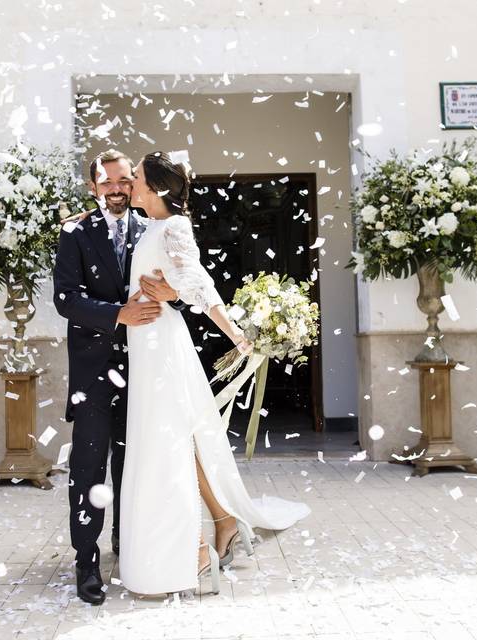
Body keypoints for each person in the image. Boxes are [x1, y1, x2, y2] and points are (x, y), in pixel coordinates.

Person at [118, 152, 310, 597]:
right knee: (171, 440)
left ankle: (198, 548)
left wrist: (240, 337)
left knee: (170, 441)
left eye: (139, 179)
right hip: (144, 342)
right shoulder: (150, 228)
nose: (132, 185)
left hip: (160, 340)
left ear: (157, 188)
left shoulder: (174, 227)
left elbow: (199, 285)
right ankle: (221, 524)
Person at [53, 149, 185, 605]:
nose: (115, 189)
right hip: (93, 373)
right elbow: (66, 300)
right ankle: (85, 560)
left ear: (135, 184)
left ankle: (127, 546)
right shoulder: (74, 232)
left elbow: (178, 286)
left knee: (134, 465)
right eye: (106, 182)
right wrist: (117, 315)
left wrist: (172, 293)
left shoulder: (153, 228)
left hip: (144, 372)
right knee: (89, 468)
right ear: (93, 187)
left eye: (123, 181)